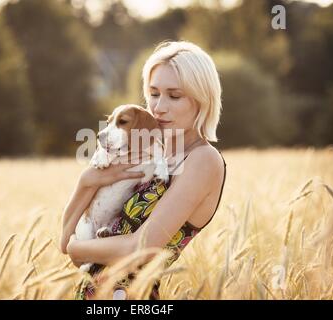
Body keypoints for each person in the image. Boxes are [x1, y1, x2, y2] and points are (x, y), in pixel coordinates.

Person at [60, 40, 227, 300]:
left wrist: (79, 250)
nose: (159, 107)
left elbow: (141, 247)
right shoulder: (140, 150)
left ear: (201, 99)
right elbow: (64, 241)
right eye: (153, 93)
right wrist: (87, 181)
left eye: (174, 95)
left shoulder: (203, 160)